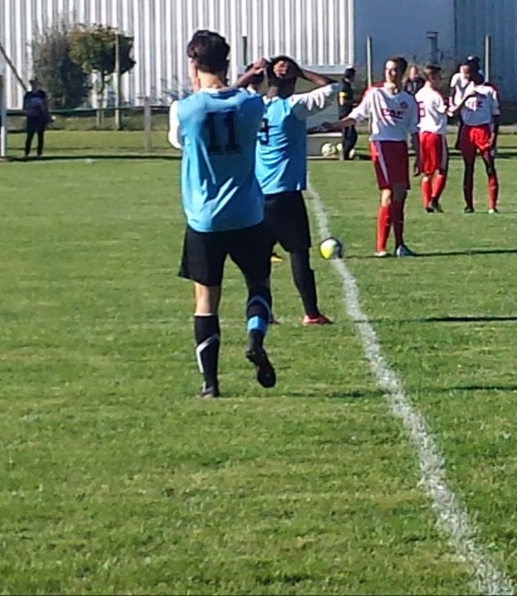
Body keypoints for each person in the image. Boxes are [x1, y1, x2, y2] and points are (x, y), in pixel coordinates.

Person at [168, 29, 275, 399]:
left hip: (204, 218)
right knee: (258, 285)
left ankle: (210, 384)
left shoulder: (184, 110)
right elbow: (246, 101)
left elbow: (178, 141)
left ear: (193, 64)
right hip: (247, 214)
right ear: (228, 63)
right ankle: (255, 337)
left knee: (205, 300)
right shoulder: (250, 105)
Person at [257, 55, 343, 325]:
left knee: (259, 260)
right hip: (285, 193)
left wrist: (259, 72)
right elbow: (332, 87)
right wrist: (300, 71)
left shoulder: (254, 106)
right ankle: (311, 313)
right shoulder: (293, 106)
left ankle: (264, 312)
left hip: (257, 193)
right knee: (298, 255)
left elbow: (238, 88)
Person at [332, 56, 420, 257]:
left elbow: (414, 130)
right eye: (388, 68)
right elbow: (356, 116)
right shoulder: (375, 93)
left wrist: (419, 157)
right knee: (389, 193)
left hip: (399, 147)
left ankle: (399, 245)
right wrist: (335, 125)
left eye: (395, 69)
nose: (390, 73)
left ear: (402, 72)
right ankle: (380, 247)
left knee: (401, 195)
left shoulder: (408, 100)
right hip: (381, 144)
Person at [449, 61, 501, 214]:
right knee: (468, 168)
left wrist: (494, 136)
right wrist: (465, 97)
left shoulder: (489, 90)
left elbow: (496, 115)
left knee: (489, 166)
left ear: (476, 72)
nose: (465, 76)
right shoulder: (465, 90)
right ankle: (469, 204)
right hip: (467, 130)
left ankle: (492, 205)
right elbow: (454, 112)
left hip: (483, 130)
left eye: (468, 73)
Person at [415, 65, 450, 213]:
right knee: (442, 169)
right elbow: (449, 112)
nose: (440, 79)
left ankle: (426, 203)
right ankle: (434, 199)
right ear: (432, 77)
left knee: (427, 171)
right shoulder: (436, 95)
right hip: (435, 133)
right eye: (439, 76)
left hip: (422, 133)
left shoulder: (418, 94)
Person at [22, 79, 51, 159]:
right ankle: (26, 153)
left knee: (40, 136)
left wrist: (47, 115)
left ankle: (39, 153)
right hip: (31, 117)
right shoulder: (28, 95)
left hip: (40, 117)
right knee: (30, 136)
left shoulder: (42, 95)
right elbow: (25, 107)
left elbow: (45, 105)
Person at [338, 66, 359, 161]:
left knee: (349, 135)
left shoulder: (347, 85)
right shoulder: (344, 87)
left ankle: (345, 154)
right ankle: (344, 154)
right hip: (345, 114)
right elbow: (342, 101)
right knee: (350, 136)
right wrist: (353, 103)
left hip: (348, 113)